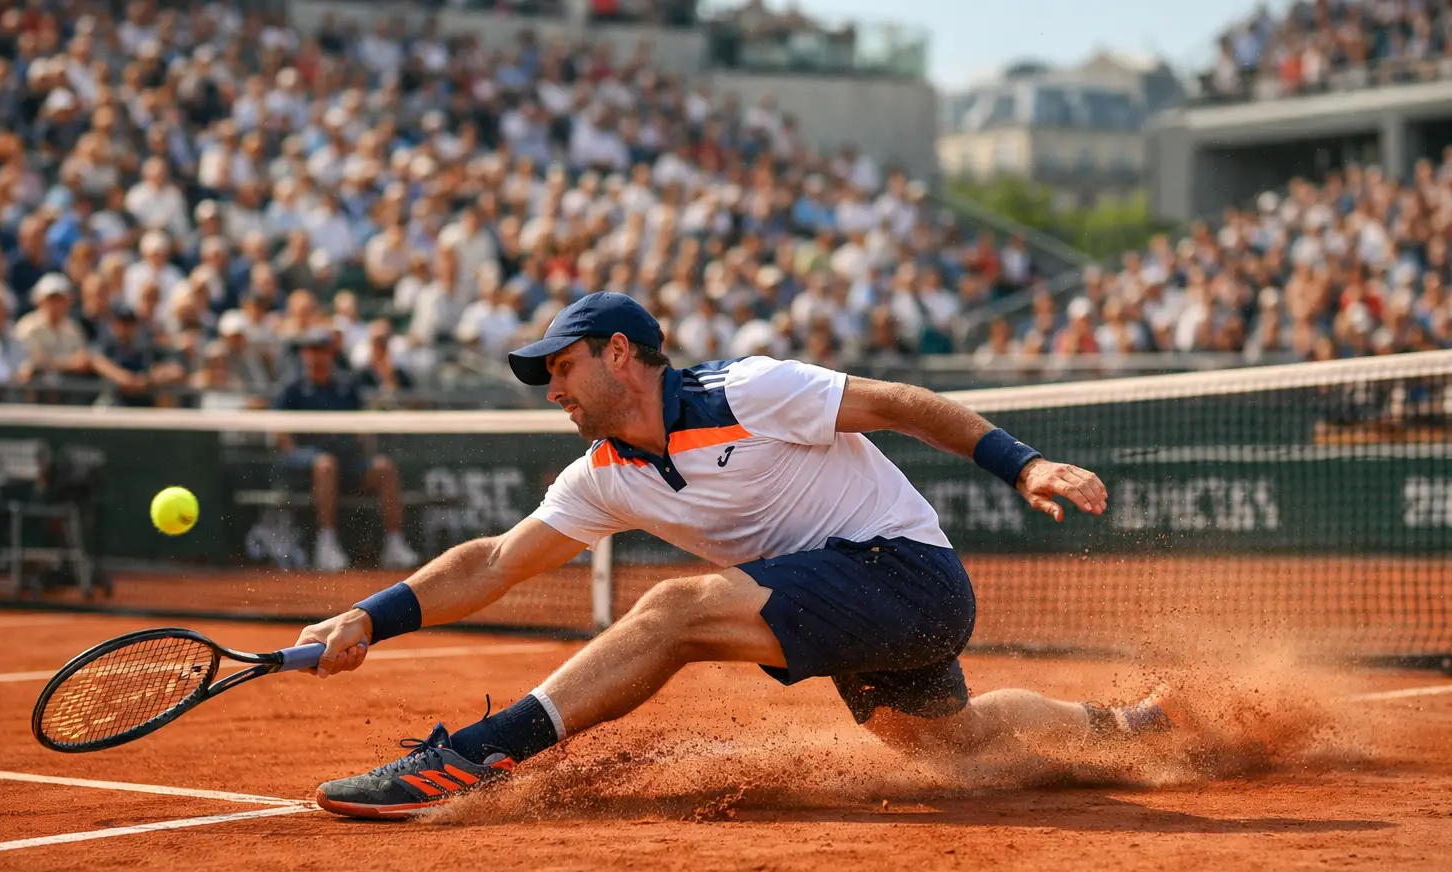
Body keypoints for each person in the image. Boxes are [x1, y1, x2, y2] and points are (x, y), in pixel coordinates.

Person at [295, 292, 1169, 819]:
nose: (553, 391)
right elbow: (493, 561)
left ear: (620, 354)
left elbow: (903, 402)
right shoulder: (604, 474)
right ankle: (1122, 727)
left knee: (675, 611)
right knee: (955, 746)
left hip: (906, 575)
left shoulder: (749, 389)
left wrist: (1025, 464)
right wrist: (371, 616)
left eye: (562, 369)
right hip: (843, 610)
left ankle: (481, 754)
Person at [272, 333, 420, 573]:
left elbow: (361, 427)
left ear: (330, 354)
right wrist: (295, 457)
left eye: (321, 349)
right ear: (303, 354)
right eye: (310, 350)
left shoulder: (346, 385)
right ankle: (326, 543)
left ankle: (394, 543)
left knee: (384, 468)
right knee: (326, 464)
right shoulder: (291, 387)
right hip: (305, 467)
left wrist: (361, 451)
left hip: (348, 463)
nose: (315, 356)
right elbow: (280, 433)